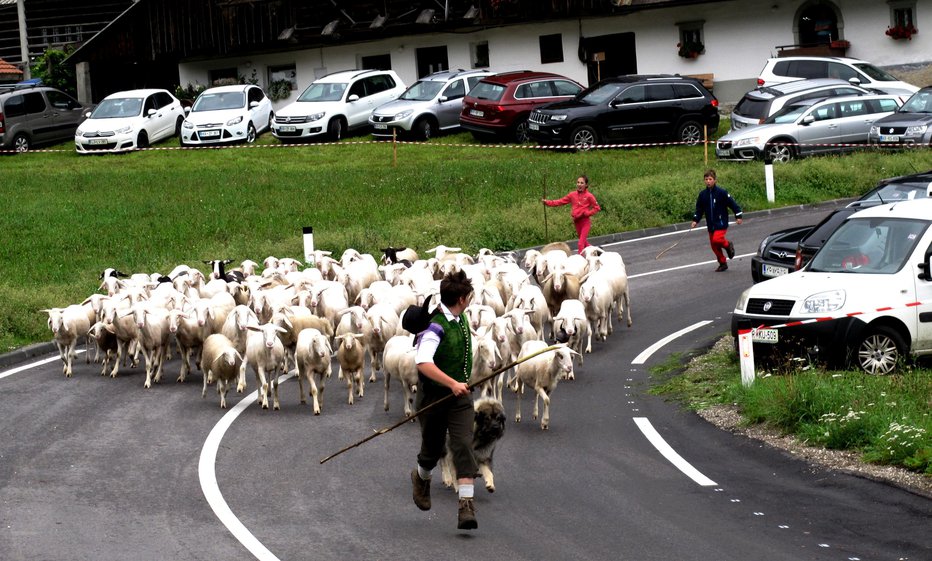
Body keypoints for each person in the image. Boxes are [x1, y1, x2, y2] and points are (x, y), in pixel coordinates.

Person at [410, 270, 480, 530]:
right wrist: (451, 383)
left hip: (460, 397)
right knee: (432, 450)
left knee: (463, 444)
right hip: (435, 398)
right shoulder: (435, 327)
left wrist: (459, 385)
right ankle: (420, 478)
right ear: (461, 299)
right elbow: (423, 362)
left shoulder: (460, 319)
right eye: (469, 296)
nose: (470, 300)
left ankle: (466, 507)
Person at [691, 169, 742, 272]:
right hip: (711, 224)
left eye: (710, 179)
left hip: (721, 222)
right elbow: (699, 209)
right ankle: (723, 263)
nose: (708, 181)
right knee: (714, 246)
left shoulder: (722, 193)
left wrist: (738, 215)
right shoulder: (702, 195)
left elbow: (733, 204)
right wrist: (695, 220)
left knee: (717, 239)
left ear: (715, 180)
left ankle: (728, 245)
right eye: (706, 179)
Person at [542, 175, 602, 254]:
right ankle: (598, 252)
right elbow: (560, 201)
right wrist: (547, 202)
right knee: (584, 243)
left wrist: (587, 213)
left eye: (582, 183)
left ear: (586, 185)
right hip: (577, 222)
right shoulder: (572, 195)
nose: (579, 184)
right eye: (578, 182)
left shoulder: (589, 196)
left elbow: (597, 208)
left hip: (585, 222)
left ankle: (579, 261)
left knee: (580, 243)